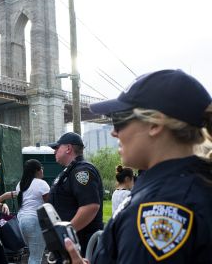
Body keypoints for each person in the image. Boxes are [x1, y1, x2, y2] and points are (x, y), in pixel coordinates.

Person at [64, 69, 212, 263]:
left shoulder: (159, 208)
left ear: (155, 124)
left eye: (118, 121)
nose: (114, 133)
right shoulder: (194, 184)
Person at [48, 132, 104, 256]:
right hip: (73, 244)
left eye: (57, 148)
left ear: (68, 148)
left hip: (81, 244)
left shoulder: (82, 171)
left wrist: (66, 235)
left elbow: (90, 206)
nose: (54, 151)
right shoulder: (70, 171)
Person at [16, 159, 50, 264]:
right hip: (35, 221)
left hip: (21, 221)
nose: (43, 171)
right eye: (42, 169)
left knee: (33, 254)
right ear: (38, 170)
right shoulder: (41, 183)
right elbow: (49, 203)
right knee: (36, 258)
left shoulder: (20, 184)